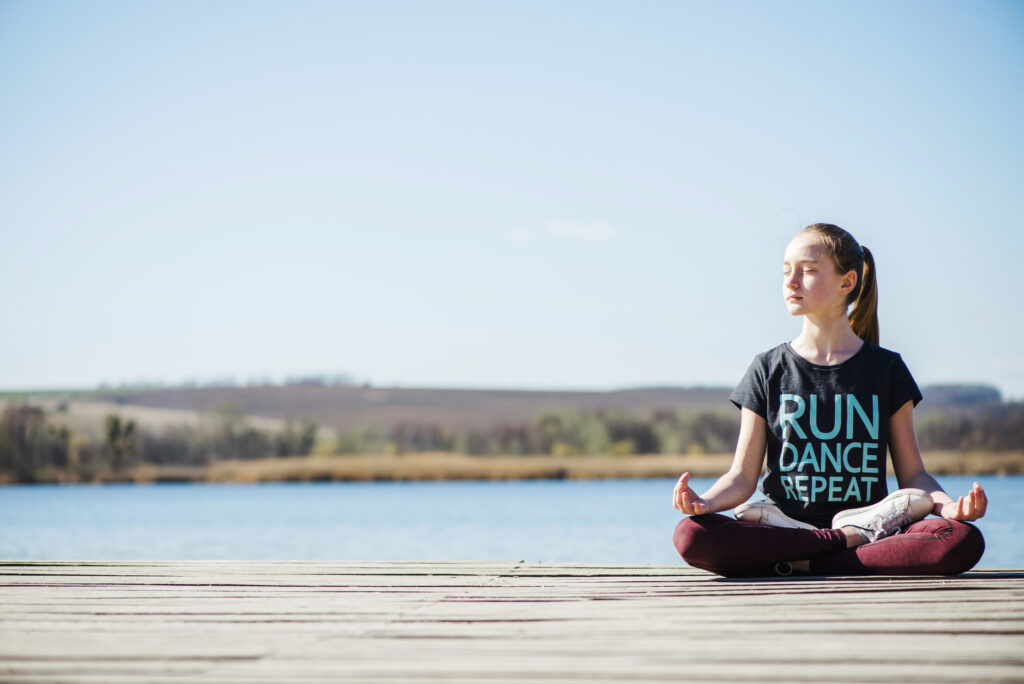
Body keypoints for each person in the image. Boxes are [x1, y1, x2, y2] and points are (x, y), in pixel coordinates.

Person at [671, 223, 987, 577]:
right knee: (691, 534)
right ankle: (839, 545)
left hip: (875, 525)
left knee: (960, 539)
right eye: (786, 271)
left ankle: (807, 557)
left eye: (806, 271)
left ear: (847, 282)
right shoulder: (766, 368)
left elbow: (913, 474)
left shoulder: (887, 369)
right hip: (782, 525)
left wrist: (948, 508)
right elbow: (742, 477)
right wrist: (704, 502)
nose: (791, 282)